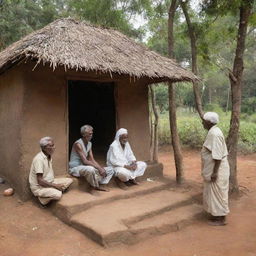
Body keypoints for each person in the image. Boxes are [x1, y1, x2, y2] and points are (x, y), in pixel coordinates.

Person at [201, 112, 230, 226]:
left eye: (203, 121)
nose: (202, 122)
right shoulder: (213, 131)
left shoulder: (214, 134)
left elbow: (217, 156)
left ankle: (220, 219)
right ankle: (217, 215)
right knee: (216, 194)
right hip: (216, 168)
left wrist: (214, 172)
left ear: (209, 122)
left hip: (218, 169)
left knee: (218, 194)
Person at [69, 125, 114, 194]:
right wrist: (99, 168)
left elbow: (92, 159)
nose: (91, 135)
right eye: (89, 134)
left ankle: (100, 183)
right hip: (76, 168)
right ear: (83, 134)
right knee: (91, 169)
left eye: (92, 133)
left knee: (110, 169)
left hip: (84, 167)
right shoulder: (78, 144)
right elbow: (85, 161)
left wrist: (101, 168)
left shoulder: (89, 144)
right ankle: (95, 186)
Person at [29, 137, 73, 206]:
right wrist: (56, 186)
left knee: (69, 180)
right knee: (58, 194)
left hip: (50, 182)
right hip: (40, 187)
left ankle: (52, 190)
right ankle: (43, 200)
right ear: (44, 148)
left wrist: (54, 185)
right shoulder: (39, 159)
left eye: (53, 145)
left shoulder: (48, 156)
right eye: (51, 146)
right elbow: (40, 181)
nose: (54, 147)